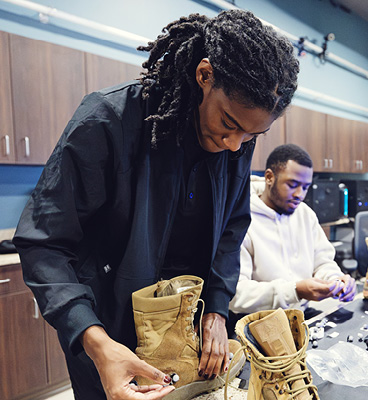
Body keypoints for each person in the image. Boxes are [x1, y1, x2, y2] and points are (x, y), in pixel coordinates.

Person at [13, 10, 299, 400]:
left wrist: (216, 308)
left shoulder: (236, 140)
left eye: (252, 135)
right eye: (230, 124)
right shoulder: (108, 120)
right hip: (108, 332)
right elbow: (44, 243)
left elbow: (232, 229)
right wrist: (96, 342)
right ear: (204, 76)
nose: (235, 145)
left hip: (186, 334)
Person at [229, 144, 356, 316]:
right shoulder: (242, 219)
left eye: (305, 187)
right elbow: (236, 295)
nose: (299, 194)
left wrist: (335, 280)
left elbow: (323, 263)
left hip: (300, 315)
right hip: (257, 323)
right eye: (292, 184)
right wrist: (294, 291)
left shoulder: (305, 214)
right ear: (269, 177)